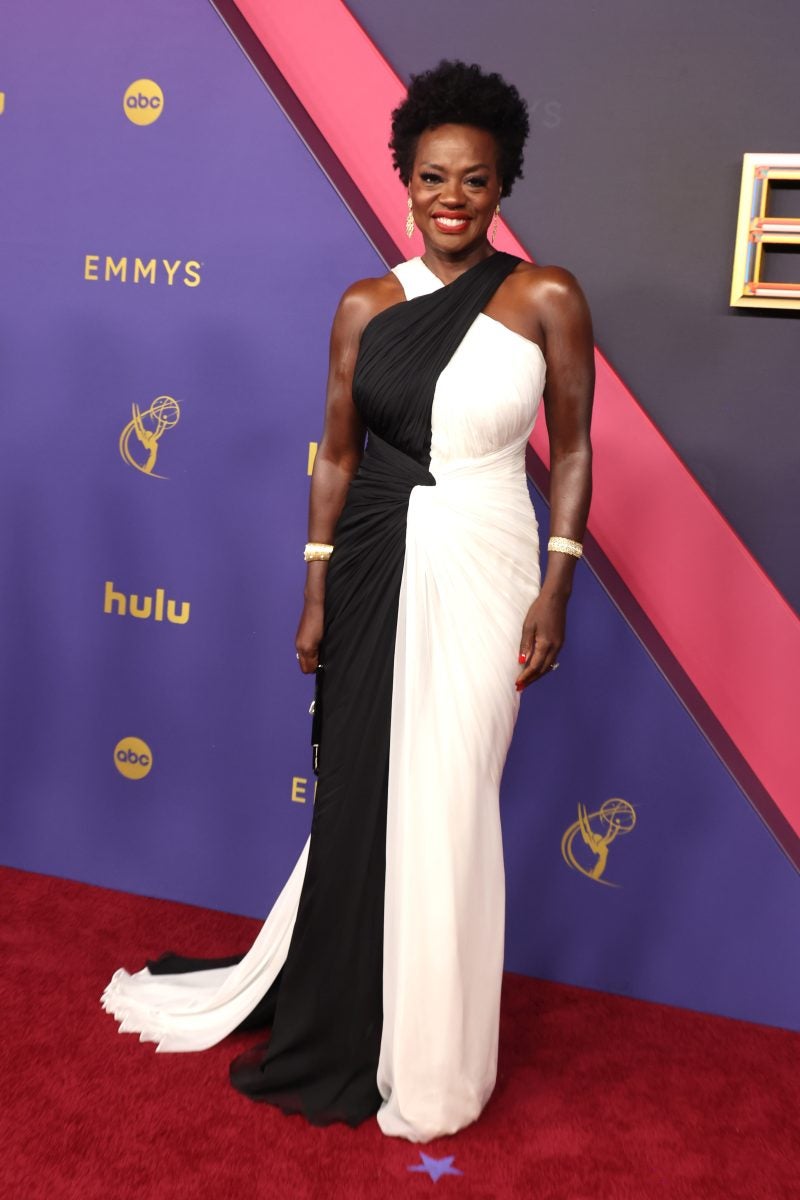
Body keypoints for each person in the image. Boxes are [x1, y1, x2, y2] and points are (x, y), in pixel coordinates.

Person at [101, 59, 595, 1143]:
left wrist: (557, 584)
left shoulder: (546, 297)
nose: (451, 198)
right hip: (373, 559)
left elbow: (570, 450)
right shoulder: (367, 304)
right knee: (367, 794)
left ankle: (434, 1058)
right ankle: (351, 1013)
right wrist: (315, 589)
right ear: (404, 182)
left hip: (490, 560)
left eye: (474, 179)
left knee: (452, 798)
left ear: (502, 185)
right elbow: (335, 455)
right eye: (432, 177)